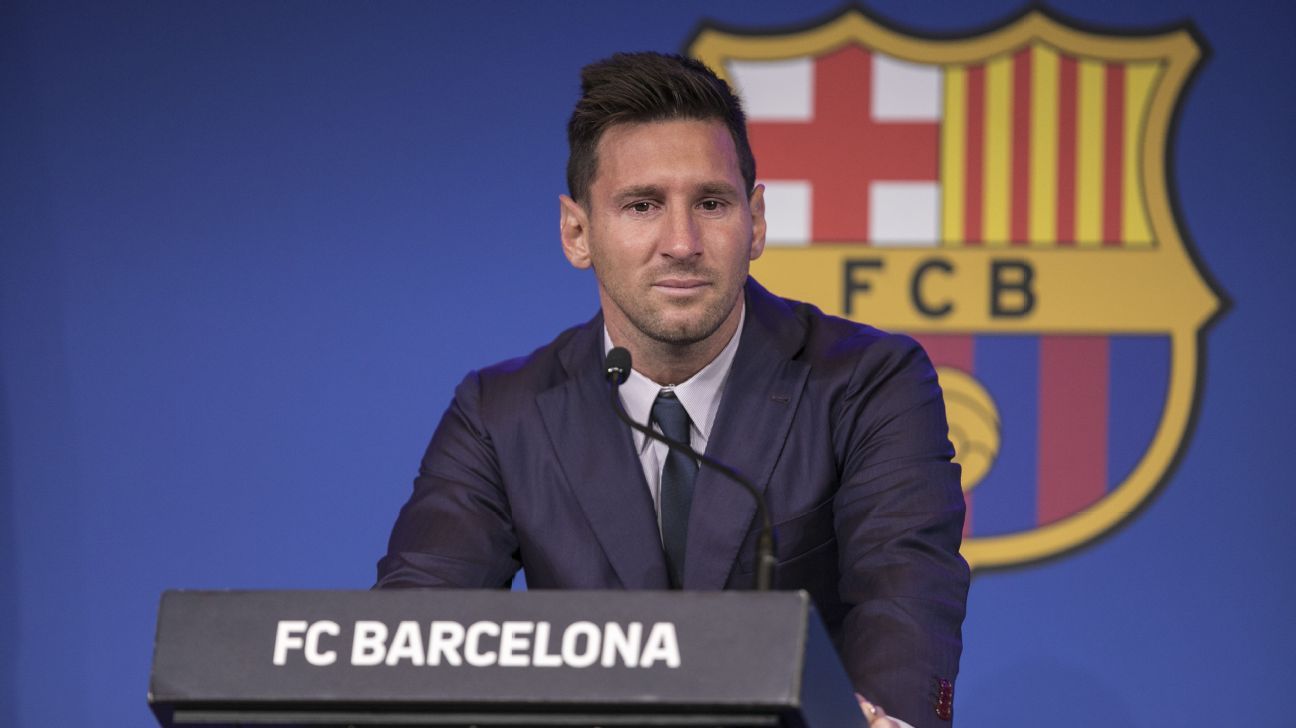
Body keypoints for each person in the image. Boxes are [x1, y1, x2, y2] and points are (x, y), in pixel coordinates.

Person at [377, 51, 969, 728]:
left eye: (711, 203)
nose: (682, 242)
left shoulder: (867, 382)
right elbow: (415, 631)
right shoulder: (502, 412)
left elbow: (905, 593)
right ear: (577, 232)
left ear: (756, 221)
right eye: (642, 205)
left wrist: (884, 718)